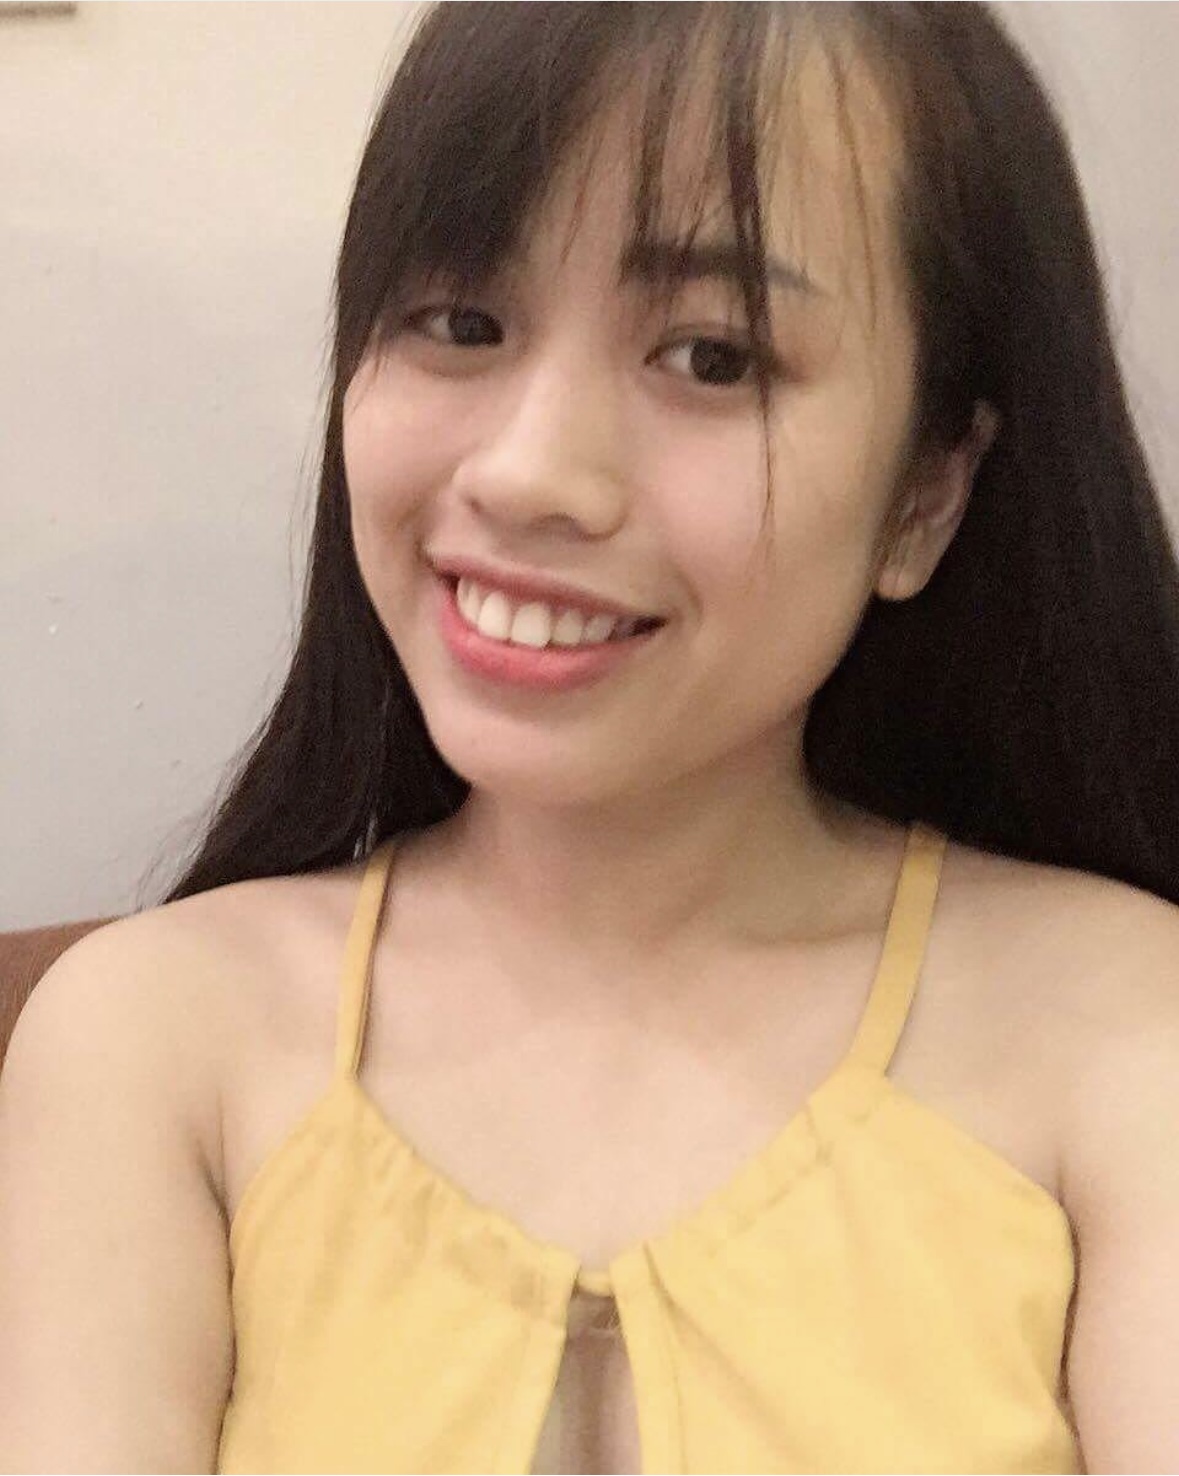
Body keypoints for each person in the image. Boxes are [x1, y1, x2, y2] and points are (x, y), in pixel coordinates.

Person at [3, 2, 1178, 1471]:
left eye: (714, 357)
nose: (530, 474)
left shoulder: (1128, 1029)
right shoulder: (153, 1039)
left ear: (925, 492)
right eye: (461, 324)